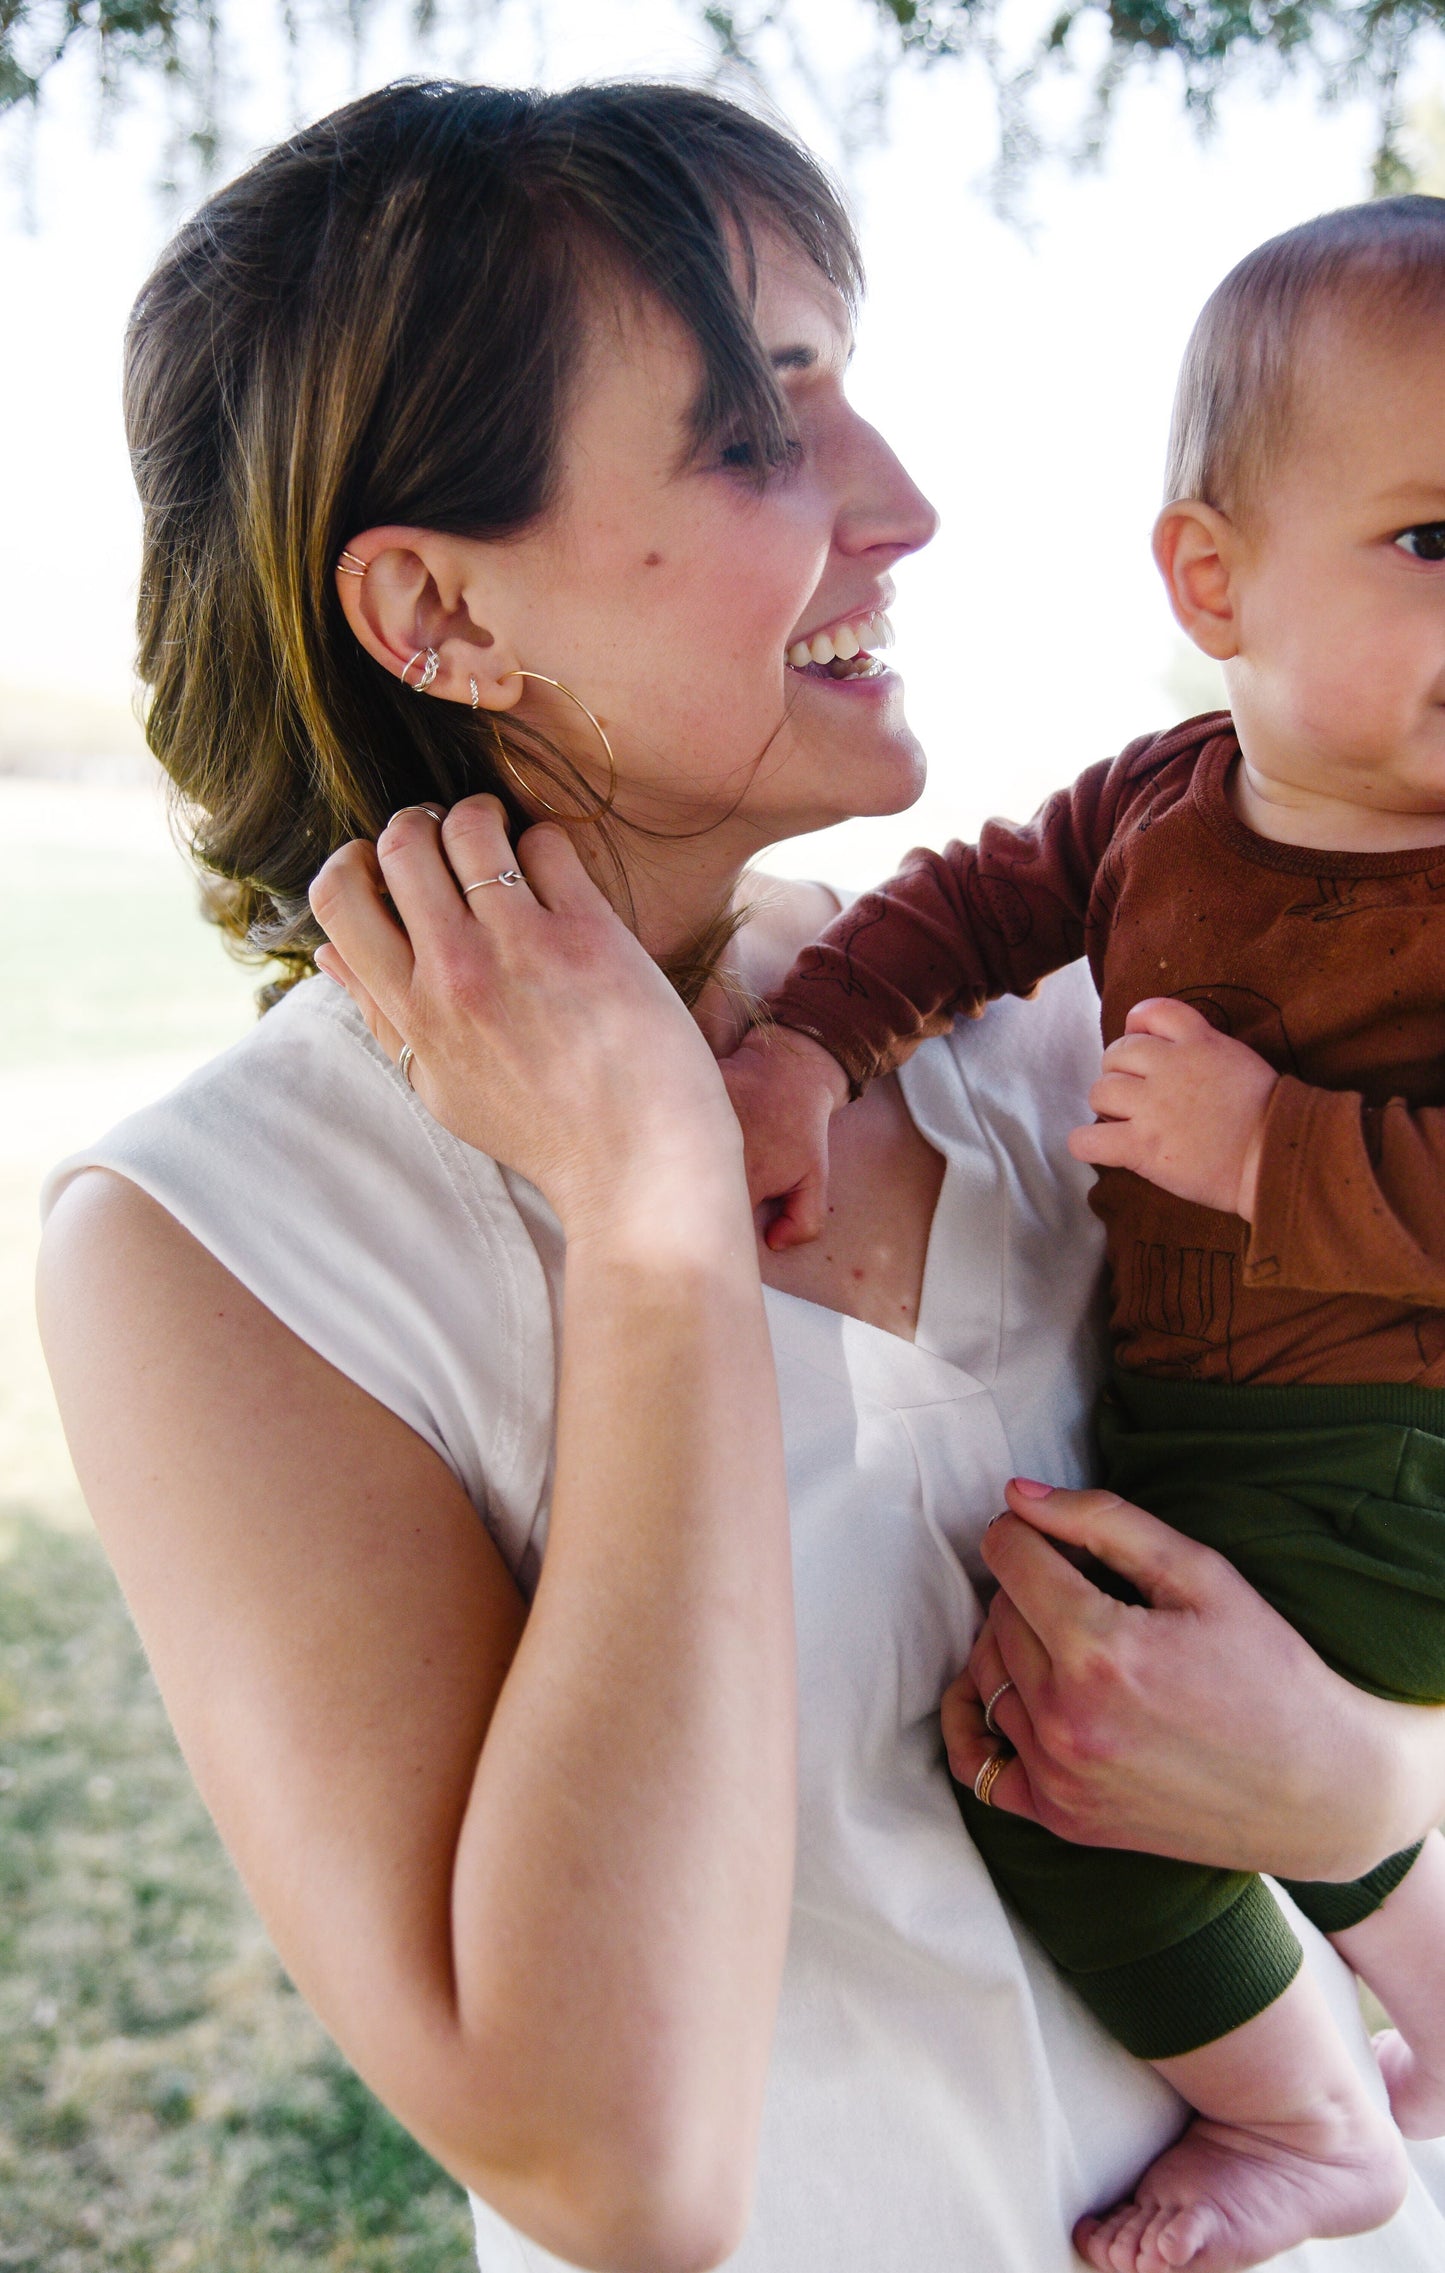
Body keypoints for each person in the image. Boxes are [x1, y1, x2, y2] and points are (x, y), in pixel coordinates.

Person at [33, 82, 1445, 2273]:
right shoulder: (215, 1246)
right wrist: (656, 1225)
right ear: (439, 610)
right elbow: (615, 2167)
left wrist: (1351, 1800)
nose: (905, 507)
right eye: (760, 431)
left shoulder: (1040, 1023)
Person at [721, 198, 1445, 2271]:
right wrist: (810, 1055)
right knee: (1150, 1705)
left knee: (1073, 1774)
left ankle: (1310, 2124)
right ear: (1213, 576)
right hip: (1222, 1433)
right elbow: (969, 902)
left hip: (1396, 1460)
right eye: (1439, 541)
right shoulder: (1161, 801)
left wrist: (1274, 1146)